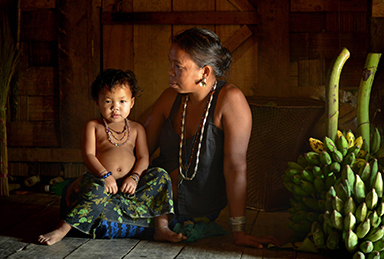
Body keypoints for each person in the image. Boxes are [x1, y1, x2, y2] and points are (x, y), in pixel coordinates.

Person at [142, 27, 280, 248]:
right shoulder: (170, 99)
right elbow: (140, 152)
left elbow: (235, 167)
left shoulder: (229, 101)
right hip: (152, 204)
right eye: (170, 63)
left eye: (178, 67)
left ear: (204, 72)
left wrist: (239, 232)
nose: (170, 71)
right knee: (87, 200)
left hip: (198, 213)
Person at [38, 69, 185, 245]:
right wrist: (105, 175)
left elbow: (144, 157)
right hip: (102, 182)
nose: (115, 107)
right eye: (108, 101)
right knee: (95, 188)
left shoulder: (137, 129)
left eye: (122, 101)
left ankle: (162, 228)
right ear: (97, 102)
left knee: (161, 175)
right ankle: (63, 228)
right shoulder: (93, 126)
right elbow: (89, 155)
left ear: (131, 102)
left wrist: (135, 177)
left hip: (130, 187)